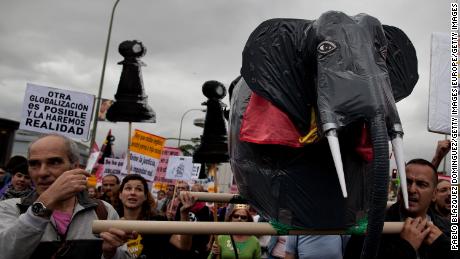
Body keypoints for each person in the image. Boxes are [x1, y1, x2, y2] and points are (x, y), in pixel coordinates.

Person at [0, 134, 133, 259]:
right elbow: (5, 253)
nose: (42, 172)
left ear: (74, 167)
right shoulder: (10, 208)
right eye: (34, 164)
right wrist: (44, 203)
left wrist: (110, 253)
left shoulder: (103, 210)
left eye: (54, 162)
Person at [345, 158, 454, 259]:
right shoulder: (370, 225)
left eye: (422, 184)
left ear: (434, 194)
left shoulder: (447, 230)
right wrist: (405, 248)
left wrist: (444, 246)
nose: (411, 190)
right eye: (407, 182)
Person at [115, 173, 194, 258]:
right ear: (120, 194)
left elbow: (183, 245)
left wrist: (184, 214)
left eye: (139, 189)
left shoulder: (158, 221)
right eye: (128, 188)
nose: (133, 192)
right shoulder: (111, 219)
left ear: (145, 196)